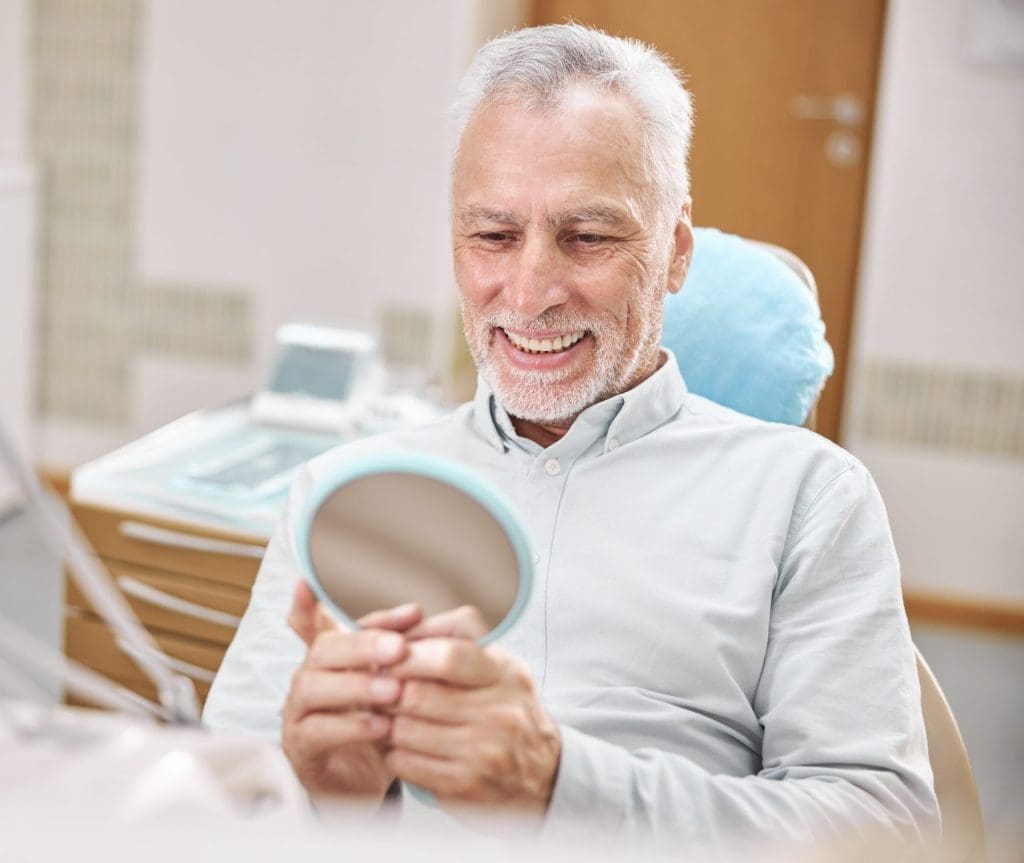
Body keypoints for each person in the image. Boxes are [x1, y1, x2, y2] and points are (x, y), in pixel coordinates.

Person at [203, 23, 940, 853]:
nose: (530, 291)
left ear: (675, 253)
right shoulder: (347, 491)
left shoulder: (806, 496)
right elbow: (217, 803)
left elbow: (887, 832)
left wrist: (561, 786)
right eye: (494, 235)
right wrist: (331, 802)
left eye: (587, 237)